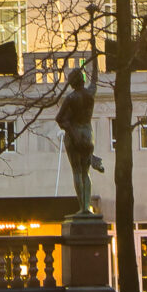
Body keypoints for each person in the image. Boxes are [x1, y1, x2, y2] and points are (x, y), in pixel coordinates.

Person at [55, 65, 107, 216]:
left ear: (72, 83)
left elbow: (59, 118)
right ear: (83, 80)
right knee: (86, 172)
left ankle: (82, 208)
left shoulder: (71, 98)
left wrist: (71, 131)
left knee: (77, 172)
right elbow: (95, 80)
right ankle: (87, 206)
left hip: (75, 134)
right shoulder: (90, 94)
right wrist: (94, 55)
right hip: (88, 133)